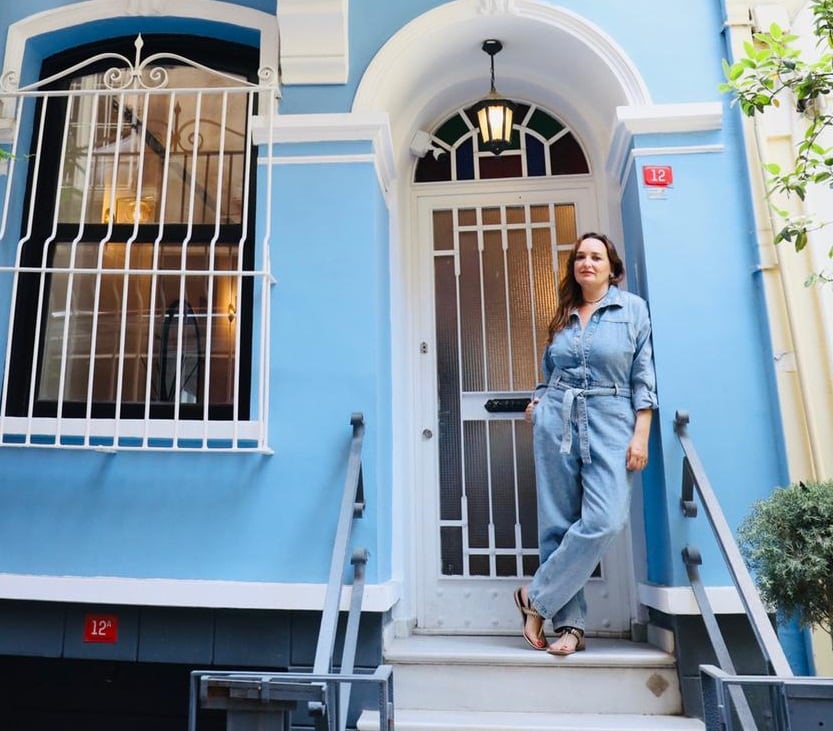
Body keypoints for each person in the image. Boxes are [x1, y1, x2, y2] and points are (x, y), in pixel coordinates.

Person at [514, 232, 658, 656]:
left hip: (613, 419)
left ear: (611, 268)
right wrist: (539, 401)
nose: (587, 263)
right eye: (580, 257)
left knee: (605, 520)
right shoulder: (563, 313)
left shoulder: (631, 310)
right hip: (556, 418)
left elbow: (642, 374)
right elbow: (548, 369)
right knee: (557, 524)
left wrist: (641, 432)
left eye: (596, 257)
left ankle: (534, 597)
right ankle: (570, 628)